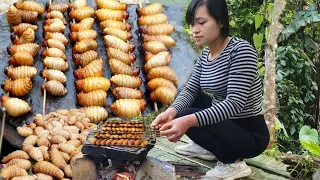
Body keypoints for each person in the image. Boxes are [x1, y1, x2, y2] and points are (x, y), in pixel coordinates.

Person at [151, 0, 270, 179]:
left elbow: (233, 105)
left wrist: (187, 120)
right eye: (192, 23)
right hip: (224, 124)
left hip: (248, 134)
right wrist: (171, 112)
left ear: (221, 22)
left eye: (202, 22)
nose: (195, 29)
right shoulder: (206, 54)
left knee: (187, 116)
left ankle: (234, 164)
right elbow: (191, 89)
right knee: (183, 99)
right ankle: (206, 146)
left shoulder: (241, 51)